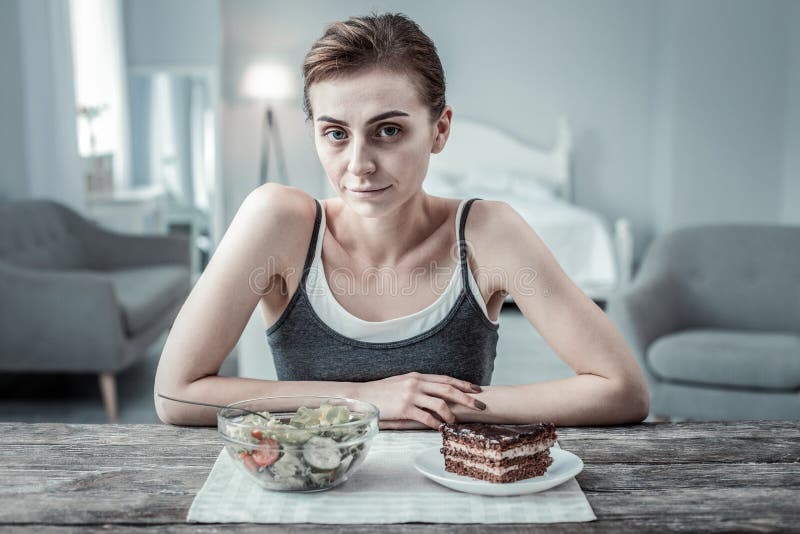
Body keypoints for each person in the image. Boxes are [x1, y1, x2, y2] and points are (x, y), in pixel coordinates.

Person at [154, 12, 649, 429]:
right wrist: (367, 398)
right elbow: (176, 394)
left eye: (387, 130)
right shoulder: (278, 222)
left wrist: (435, 403)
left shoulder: (487, 233)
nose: (359, 164)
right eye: (335, 133)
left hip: (457, 493)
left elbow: (623, 389)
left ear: (440, 130)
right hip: (317, 492)